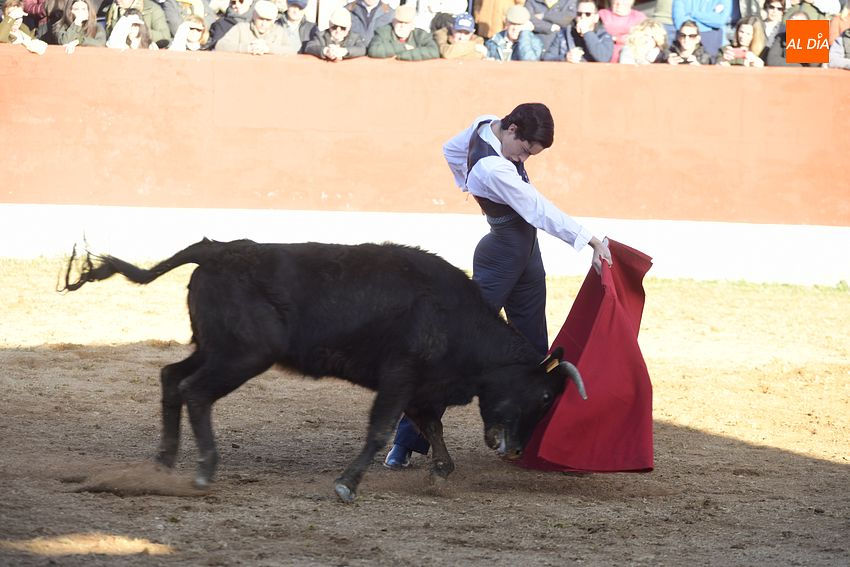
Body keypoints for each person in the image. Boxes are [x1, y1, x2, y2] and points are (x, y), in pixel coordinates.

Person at [385, 102, 612, 469]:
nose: (524, 159)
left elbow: (450, 149)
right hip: (501, 258)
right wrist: (591, 240)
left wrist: (465, 181)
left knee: (535, 355)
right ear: (512, 129)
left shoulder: (485, 123)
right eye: (524, 150)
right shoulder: (493, 168)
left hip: (526, 258)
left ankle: (533, 443)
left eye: (530, 155)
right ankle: (405, 442)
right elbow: (538, 208)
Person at [215, 0, 299, 53]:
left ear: (274, 20)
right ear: (254, 16)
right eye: (261, 19)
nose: (263, 23)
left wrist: (268, 48)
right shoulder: (241, 28)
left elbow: (292, 51)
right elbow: (220, 46)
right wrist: (248, 48)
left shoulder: (279, 31)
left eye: (268, 20)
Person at [542, 0, 613, 62]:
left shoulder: (604, 35)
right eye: (579, 14)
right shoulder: (564, 34)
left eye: (588, 14)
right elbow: (547, 58)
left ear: (596, 18)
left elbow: (604, 58)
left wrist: (587, 32)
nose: (583, 17)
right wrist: (565, 57)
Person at [367, 3, 440, 59]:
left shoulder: (421, 35)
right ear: (393, 22)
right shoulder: (383, 32)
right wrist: (404, 47)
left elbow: (434, 51)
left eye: (406, 23)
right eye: (400, 22)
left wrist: (402, 55)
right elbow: (374, 50)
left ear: (412, 25)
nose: (402, 26)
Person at [104, 0, 171, 47]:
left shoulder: (152, 9)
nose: (117, 0)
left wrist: (141, 32)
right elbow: (108, 34)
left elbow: (164, 36)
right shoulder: (112, 10)